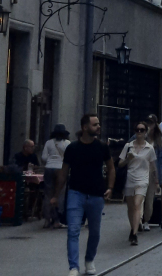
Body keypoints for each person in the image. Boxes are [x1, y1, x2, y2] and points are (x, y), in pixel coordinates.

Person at [51, 114, 114, 276]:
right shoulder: (73, 148)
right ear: (85, 127)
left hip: (96, 195)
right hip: (76, 193)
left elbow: (111, 168)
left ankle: (89, 259)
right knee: (73, 230)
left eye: (98, 124)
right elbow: (64, 173)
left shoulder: (102, 147)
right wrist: (56, 195)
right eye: (95, 124)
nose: (98, 127)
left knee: (95, 232)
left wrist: (110, 187)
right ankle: (73, 267)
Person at [118, 121, 157, 246]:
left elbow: (153, 166)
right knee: (130, 207)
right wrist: (127, 159)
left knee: (137, 204)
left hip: (143, 180)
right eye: (137, 130)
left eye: (142, 130)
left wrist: (156, 182)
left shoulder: (149, 148)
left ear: (146, 132)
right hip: (130, 178)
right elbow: (120, 164)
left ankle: (134, 234)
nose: (139, 132)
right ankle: (133, 227)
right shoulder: (128, 146)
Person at [41, 124, 70, 228]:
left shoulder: (48, 143)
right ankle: (57, 220)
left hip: (49, 168)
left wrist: (51, 160)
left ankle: (47, 219)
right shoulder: (67, 143)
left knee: (48, 194)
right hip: (61, 169)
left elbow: (44, 157)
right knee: (59, 195)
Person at [143, 115, 162, 231]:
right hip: (140, 170)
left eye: (151, 123)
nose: (149, 125)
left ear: (155, 124)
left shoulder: (160, 140)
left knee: (149, 197)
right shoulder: (141, 135)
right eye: (147, 123)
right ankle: (138, 219)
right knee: (139, 197)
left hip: (153, 171)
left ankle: (146, 220)